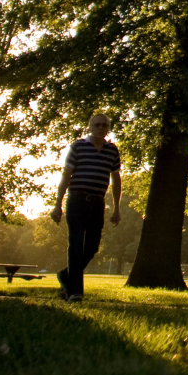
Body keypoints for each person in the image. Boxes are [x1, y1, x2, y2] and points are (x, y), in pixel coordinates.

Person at [51, 113, 122, 301]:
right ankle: (75, 291)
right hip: (77, 200)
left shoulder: (112, 151)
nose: (100, 128)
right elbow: (66, 176)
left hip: (98, 202)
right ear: (90, 126)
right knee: (75, 244)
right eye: (97, 125)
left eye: (104, 125)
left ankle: (66, 276)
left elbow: (116, 179)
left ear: (108, 129)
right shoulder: (78, 147)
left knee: (92, 246)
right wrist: (57, 205)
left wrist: (116, 208)